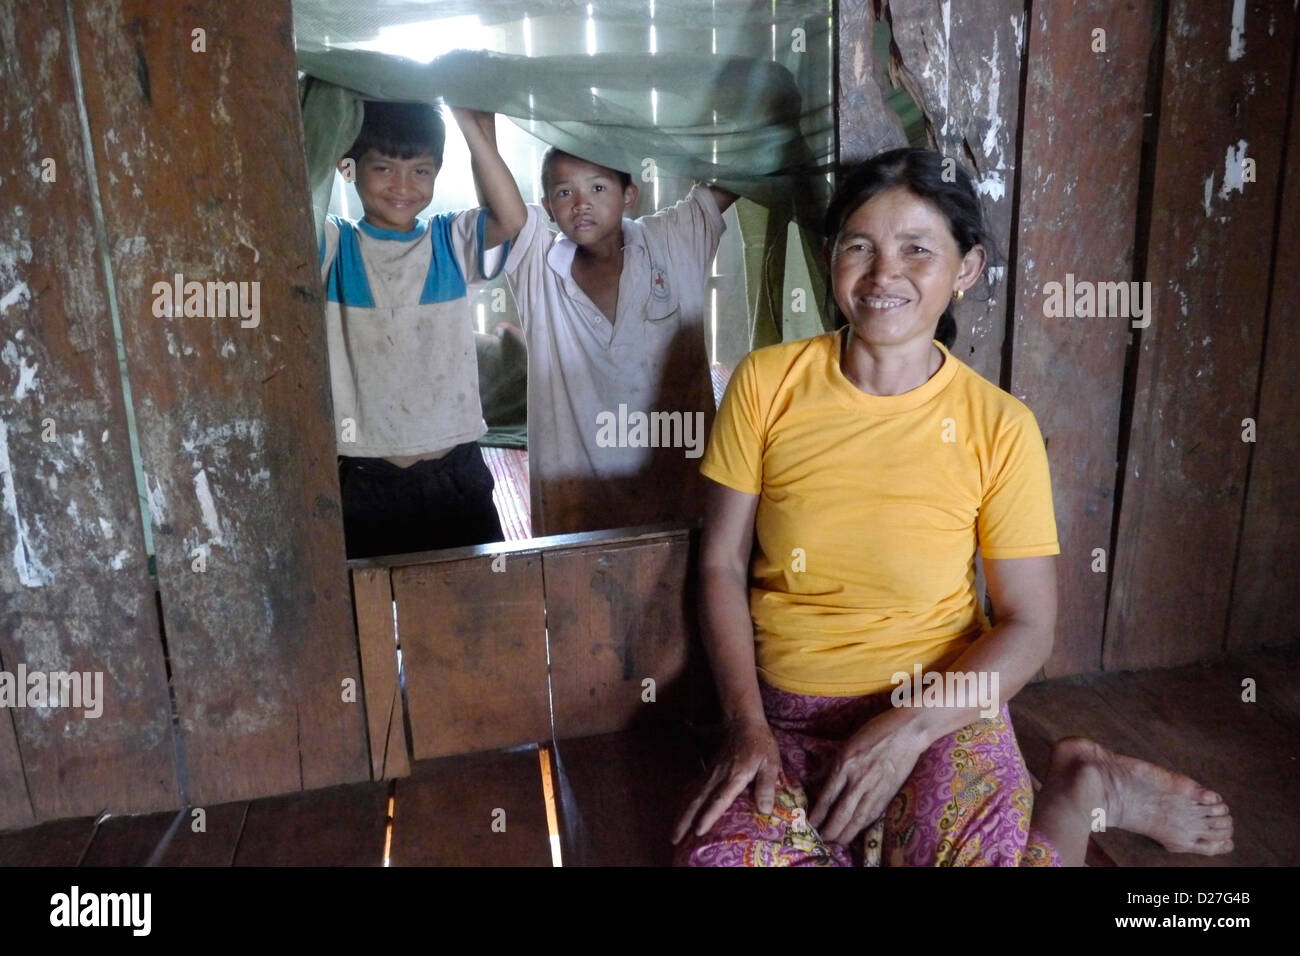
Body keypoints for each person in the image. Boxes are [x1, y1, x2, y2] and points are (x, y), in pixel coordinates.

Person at [671, 148, 1234, 866]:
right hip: (782, 716)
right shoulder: (767, 383)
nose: (884, 275)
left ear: (966, 269)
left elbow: (1029, 623)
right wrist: (746, 725)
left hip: (938, 712)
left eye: (917, 249)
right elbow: (720, 563)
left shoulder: (998, 427)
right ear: (831, 257)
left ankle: (1080, 789)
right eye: (859, 247)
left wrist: (908, 730)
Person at [320, 102, 526, 559]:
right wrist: (328, 120)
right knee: (368, 599)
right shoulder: (335, 244)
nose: (403, 185)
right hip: (366, 476)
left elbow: (511, 218)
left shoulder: (449, 240)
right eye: (383, 168)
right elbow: (297, 205)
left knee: (478, 594)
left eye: (420, 171)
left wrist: (470, 124)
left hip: (455, 472)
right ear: (347, 168)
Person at [499, 147, 737, 536]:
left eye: (597, 188)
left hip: (680, 498)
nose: (581, 204)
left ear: (629, 195)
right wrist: (474, 123)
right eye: (565, 193)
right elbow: (499, 206)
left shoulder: (673, 240)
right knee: (580, 575)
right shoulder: (538, 265)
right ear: (547, 207)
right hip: (574, 508)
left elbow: (738, 167)